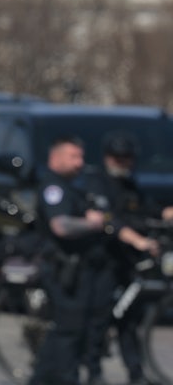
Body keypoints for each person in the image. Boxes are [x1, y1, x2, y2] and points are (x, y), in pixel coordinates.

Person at [80, 133, 168, 385]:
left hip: (125, 261)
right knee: (99, 317)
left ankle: (135, 372)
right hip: (102, 260)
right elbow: (108, 219)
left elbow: (147, 210)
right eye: (117, 157)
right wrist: (138, 240)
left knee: (128, 319)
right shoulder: (96, 182)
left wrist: (166, 213)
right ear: (107, 157)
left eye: (126, 157)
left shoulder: (129, 184)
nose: (122, 162)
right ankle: (93, 372)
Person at [28, 136, 116, 385]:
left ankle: (42, 378)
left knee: (69, 327)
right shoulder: (53, 188)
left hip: (78, 268)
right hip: (62, 267)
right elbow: (61, 226)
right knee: (69, 329)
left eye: (81, 157)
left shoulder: (71, 186)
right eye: (73, 157)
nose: (80, 162)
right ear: (55, 158)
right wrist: (92, 223)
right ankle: (64, 378)